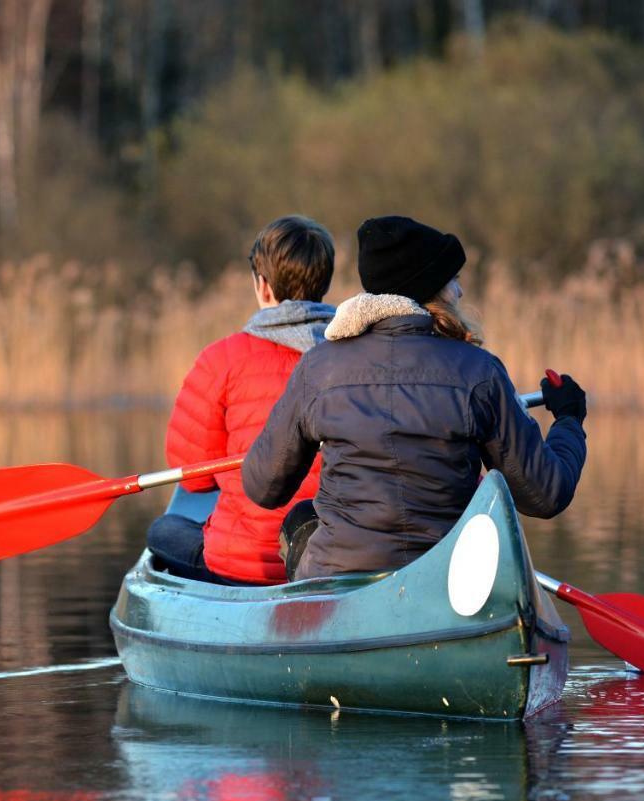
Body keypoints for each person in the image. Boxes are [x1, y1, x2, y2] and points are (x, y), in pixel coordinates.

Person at [243, 215, 588, 580]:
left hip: (337, 578)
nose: (460, 292)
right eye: (453, 281)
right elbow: (545, 494)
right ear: (431, 289)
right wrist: (568, 419)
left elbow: (262, 487)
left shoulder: (318, 367)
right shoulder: (479, 371)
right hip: (445, 582)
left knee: (301, 518)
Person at [146, 215, 337, 585]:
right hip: (332, 559)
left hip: (245, 564)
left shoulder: (221, 359)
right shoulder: (355, 359)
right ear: (323, 284)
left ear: (262, 286)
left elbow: (193, 476)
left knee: (164, 530)